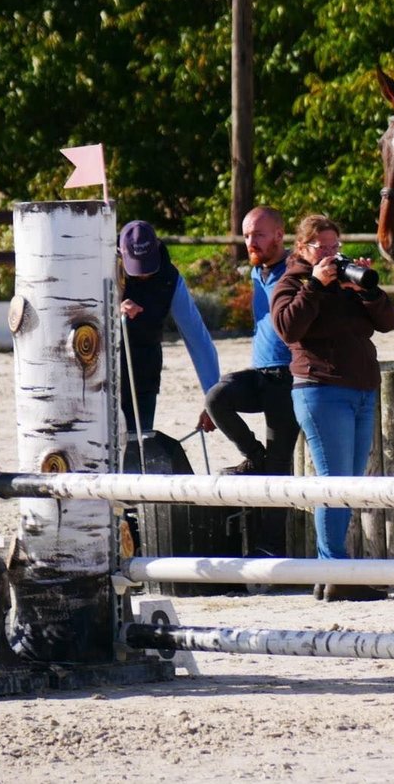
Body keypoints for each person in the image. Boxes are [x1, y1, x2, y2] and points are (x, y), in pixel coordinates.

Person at [271, 214, 394, 602]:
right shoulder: (291, 283)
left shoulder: (346, 284)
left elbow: (390, 322)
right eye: (321, 248)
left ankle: (332, 573)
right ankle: (334, 570)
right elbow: (288, 328)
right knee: (332, 482)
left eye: (334, 247)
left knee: (350, 483)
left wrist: (366, 290)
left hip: (361, 389)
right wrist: (316, 285)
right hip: (321, 390)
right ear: (302, 249)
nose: (329, 254)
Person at [204, 205, 299, 559]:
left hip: (288, 377)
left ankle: (271, 549)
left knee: (279, 467)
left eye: (258, 234)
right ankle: (252, 456)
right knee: (216, 398)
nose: (251, 241)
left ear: (279, 234)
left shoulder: (295, 269)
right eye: (246, 235)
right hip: (259, 373)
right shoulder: (256, 273)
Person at [118, 220, 219, 436]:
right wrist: (113, 311)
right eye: (136, 268)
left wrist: (214, 399)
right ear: (121, 253)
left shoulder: (169, 279)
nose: (143, 275)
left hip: (144, 374)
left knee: (138, 450)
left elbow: (198, 338)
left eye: (147, 266)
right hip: (100, 379)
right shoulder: (100, 269)